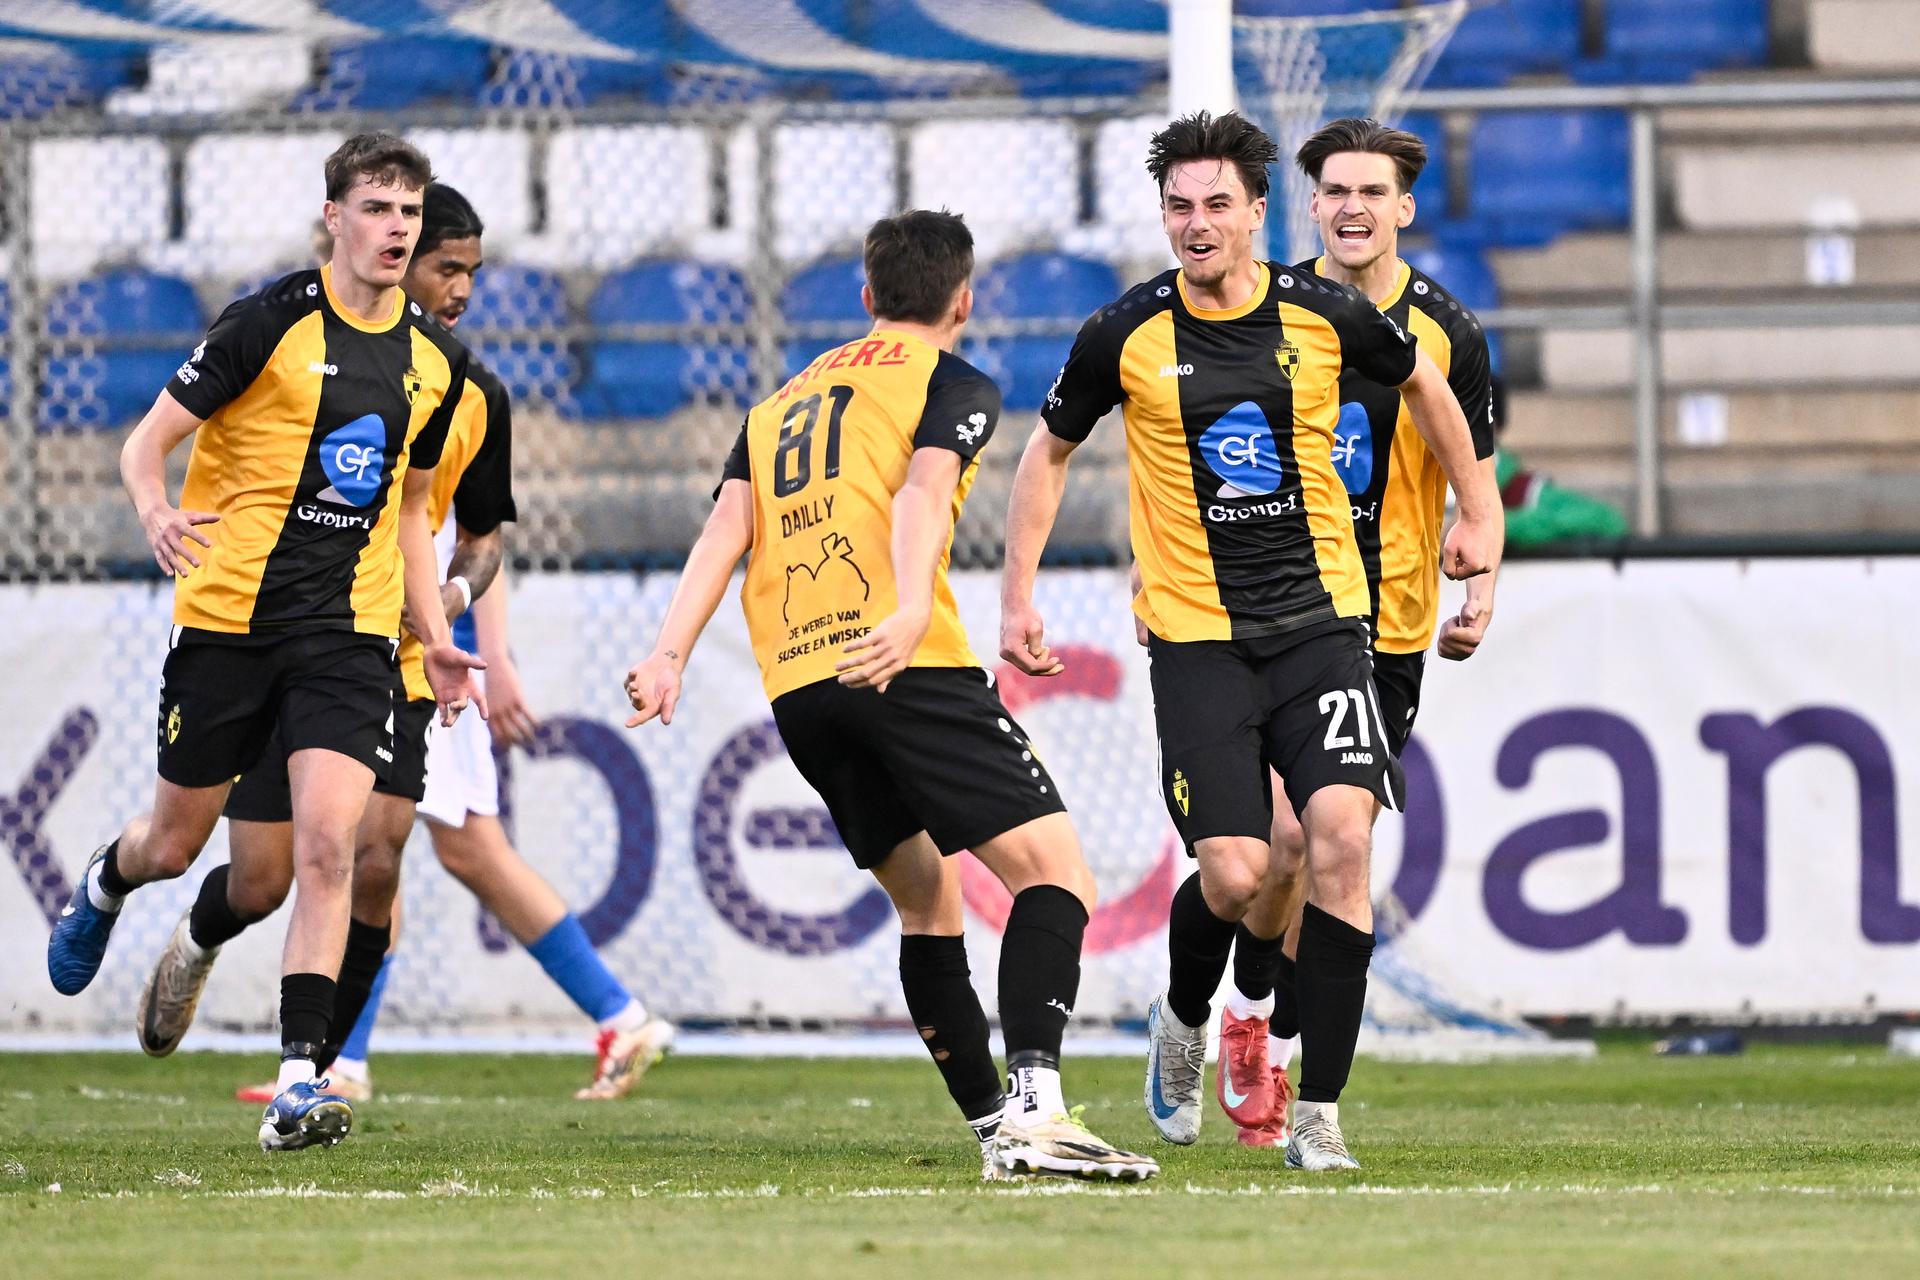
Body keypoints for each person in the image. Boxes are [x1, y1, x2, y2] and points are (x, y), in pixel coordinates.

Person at [998, 110, 1501, 1171]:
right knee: (1237, 872)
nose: (1197, 222)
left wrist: (1480, 514)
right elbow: (1045, 452)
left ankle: (1316, 1112)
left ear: (1259, 212)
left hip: (1327, 626)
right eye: (1179, 206)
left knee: (1340, 846)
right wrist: (1018, 597)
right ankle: (1184, 1020)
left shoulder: (1323, 310)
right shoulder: (1123, 332)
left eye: (1217, 203)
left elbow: (1427, 386)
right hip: (1197, 640)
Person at [623, 209, 1157, 1183]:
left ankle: (998, 1131)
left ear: (866, 298)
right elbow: (919, 493)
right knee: (1057, 878)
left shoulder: (780, 400)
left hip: (801, 686)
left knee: (926, 900)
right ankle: (1037, 1110)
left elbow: (724, 531)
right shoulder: (950, 381)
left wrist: (667, 653)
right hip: (901, 660)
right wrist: (911, 607)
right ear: (965, 300)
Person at [136, 183, 673, 1106]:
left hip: (411, 656)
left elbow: (475, 541)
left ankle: (350, 1059)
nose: (458, 287)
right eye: (443, 266)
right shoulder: (298, 349)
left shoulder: (469, 390)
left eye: (469, 269)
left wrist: (474, 637)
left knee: (409, 850)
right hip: (297, 638)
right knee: (313, 866)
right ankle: (309, 1031)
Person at [45, 133, 485, 1153]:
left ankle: (300, 1081)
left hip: (349, 635)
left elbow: (414, 509)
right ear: (334, 216)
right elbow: (143, 441)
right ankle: (109, 881)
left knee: (330, 846)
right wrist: (155, 507)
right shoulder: (267, 323)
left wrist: (435, 627)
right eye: (377, 209)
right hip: (229, 623)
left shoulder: (437, 365)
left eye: (409, 214)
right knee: (176, 843)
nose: (394, 230)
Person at [1215, 117, 1501, 1154]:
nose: (1350, 208)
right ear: (1314, 206)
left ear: (1403, 208)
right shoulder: (1268, 308)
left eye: (1370, 192)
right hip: (1281, 612)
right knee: (1287, 841)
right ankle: (1248, 1005)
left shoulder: (1449, 334)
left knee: (1338, 846)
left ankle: (1278, 1044)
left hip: (1389, 624)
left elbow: (1475, 474)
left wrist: (1483, 574)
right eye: (1334, 190)